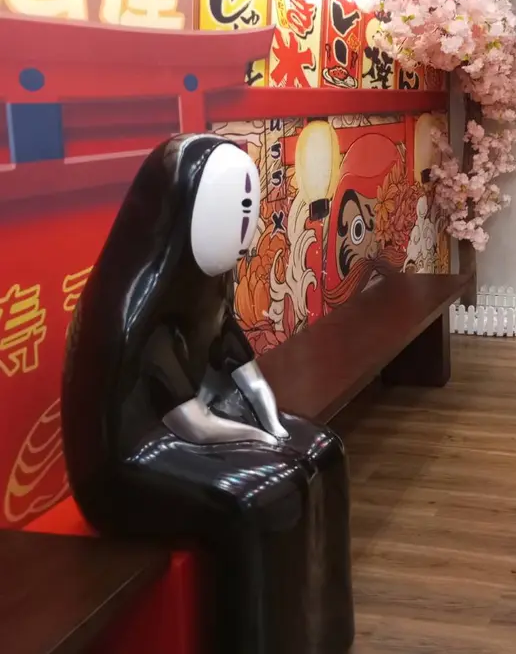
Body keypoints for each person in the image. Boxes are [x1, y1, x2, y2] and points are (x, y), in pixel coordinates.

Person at [61, 134, 354, 654]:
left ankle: (322, 632)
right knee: (257, 496)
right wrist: (260, 441)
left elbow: (232, 352)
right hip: (133, 456)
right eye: (237, 206)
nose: (246, 221)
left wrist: (273, 423)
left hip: (202, 414)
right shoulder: (135, 307)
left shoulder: (206, 279)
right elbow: (189, 422)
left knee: (323, 450)